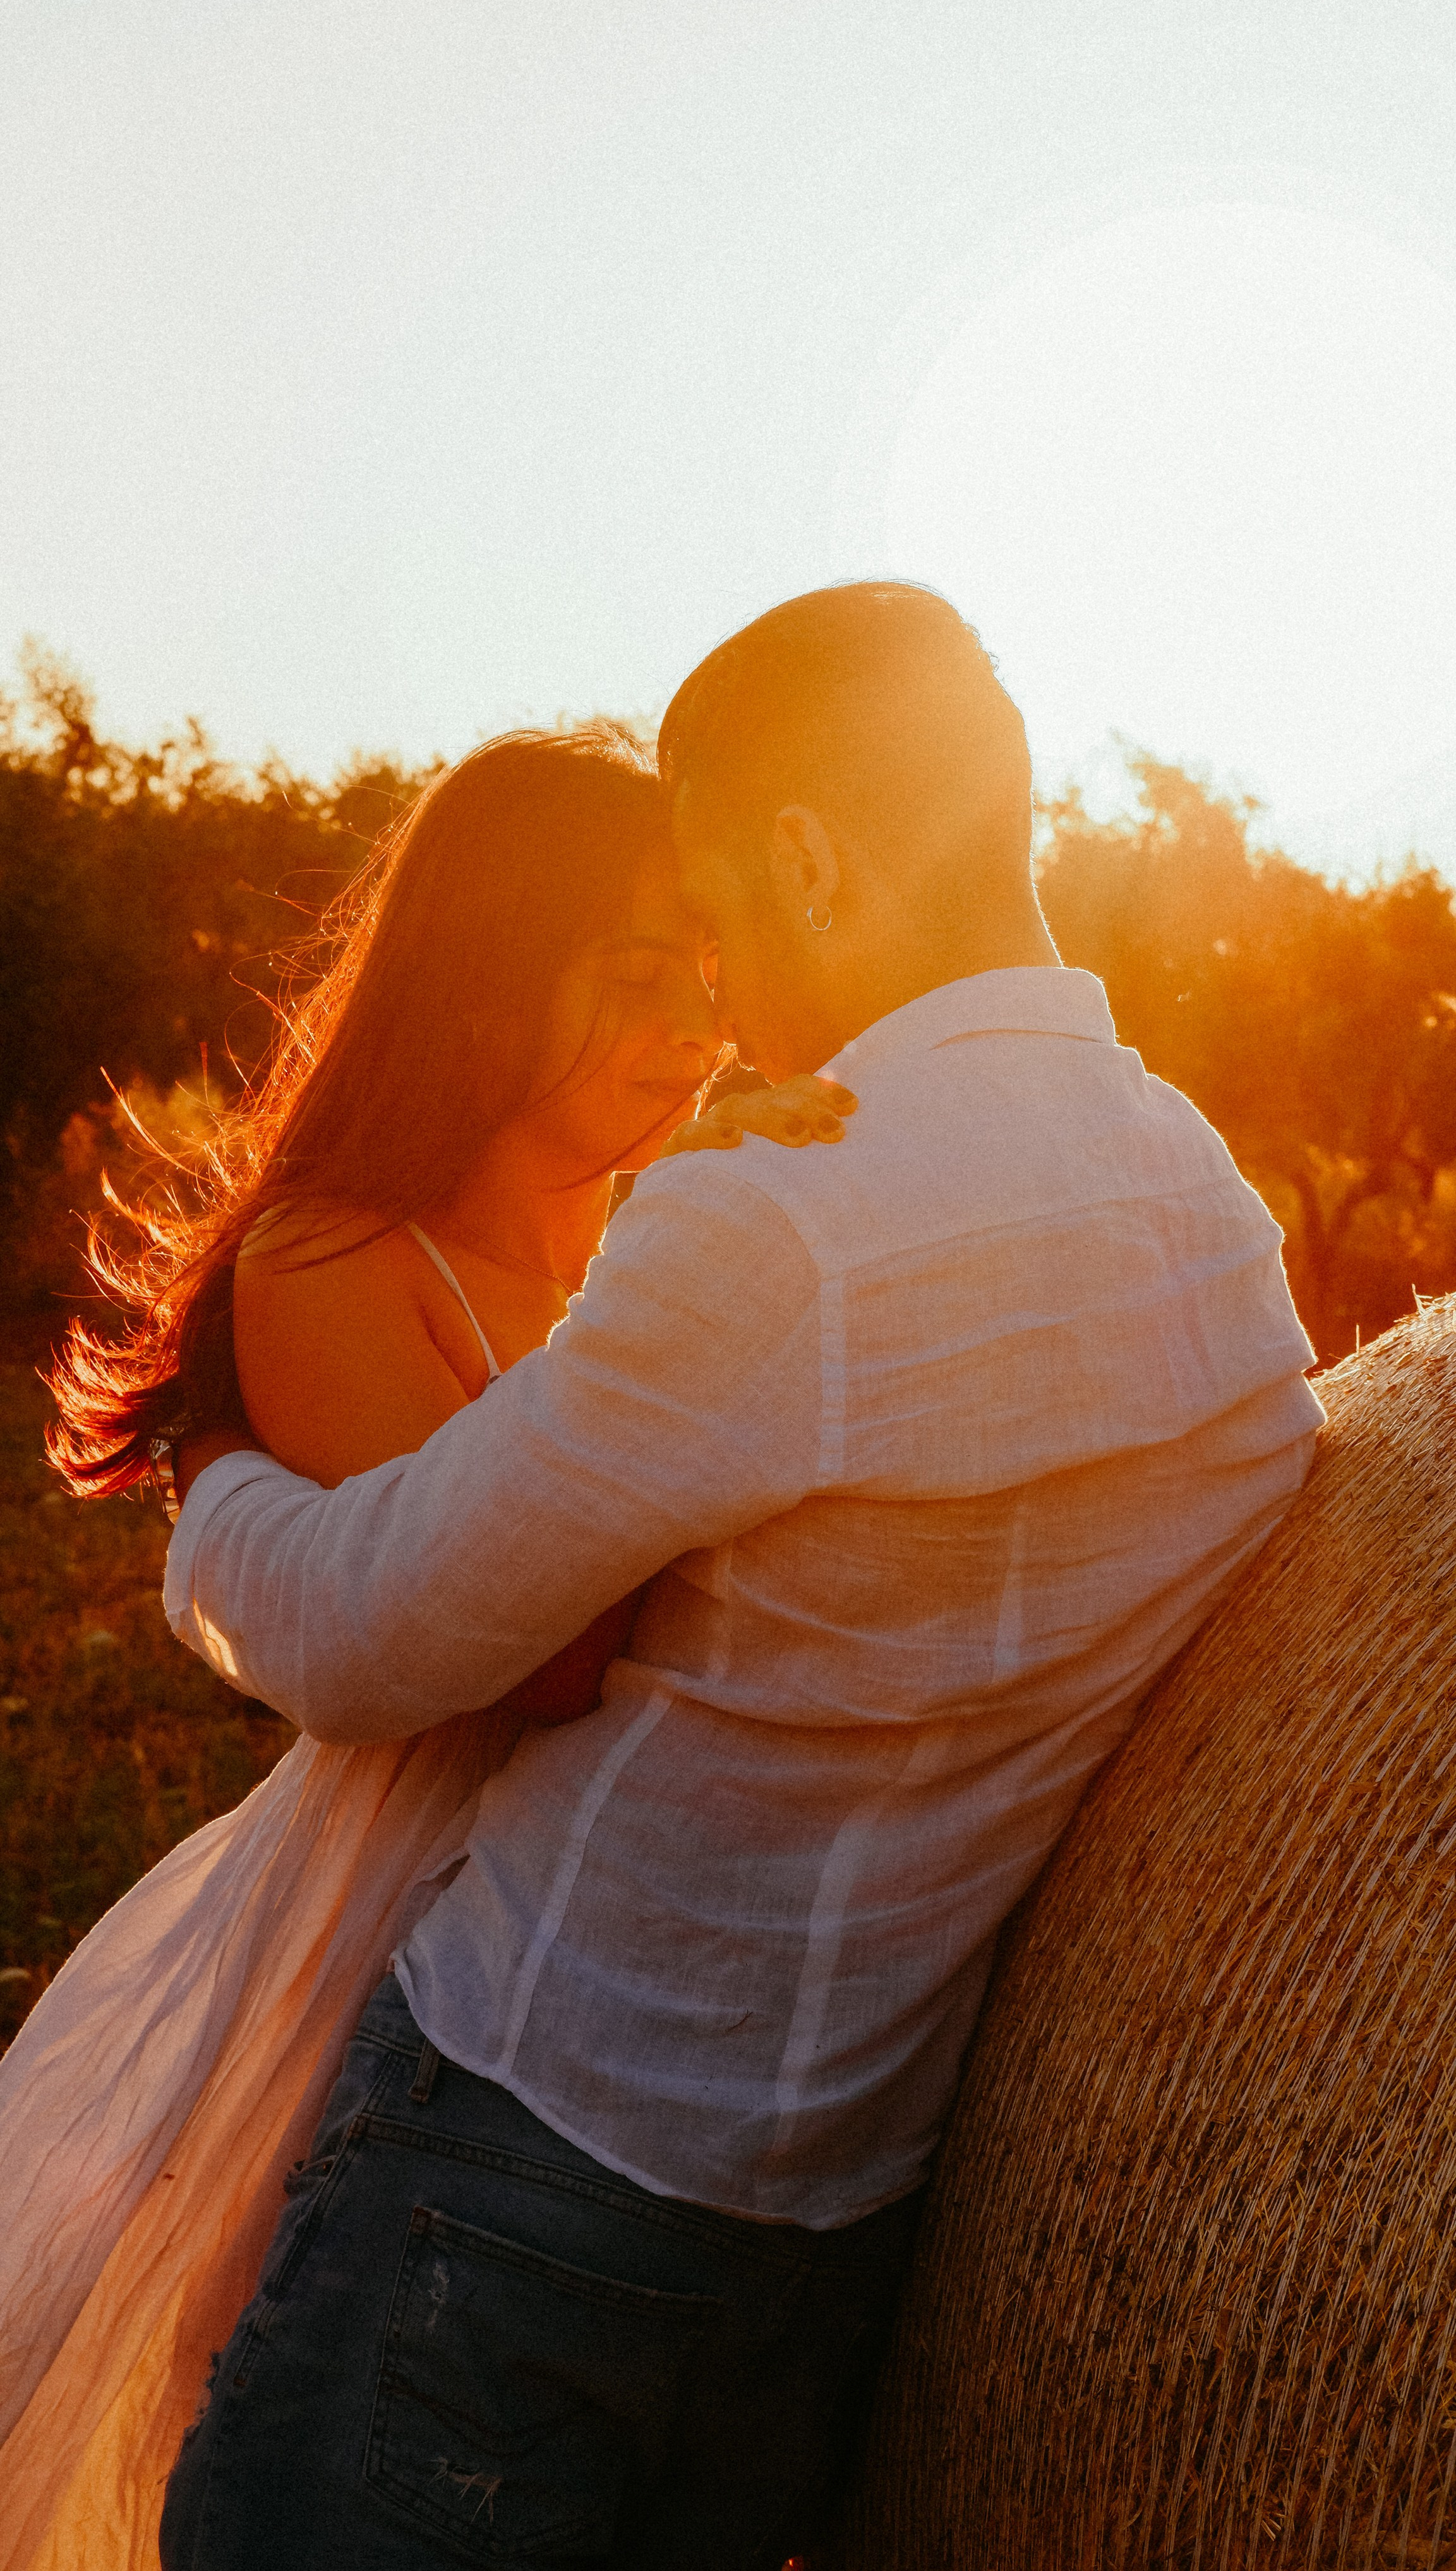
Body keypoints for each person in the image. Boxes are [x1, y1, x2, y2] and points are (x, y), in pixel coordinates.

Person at [159, 583, 1324, 2570]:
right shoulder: (1214, 1233)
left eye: (712, 918)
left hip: (519, 2165)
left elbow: (370, 1636)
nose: (712, 991)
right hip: (829, 2236)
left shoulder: (788, 1225)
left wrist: (212, 1493)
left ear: (803, 856)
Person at [0, 720, 845, 2571]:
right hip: (398, 1926)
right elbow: (511, 1646)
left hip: (595, 1915)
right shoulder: (333, 1253)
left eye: (702, 970)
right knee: (296, 2383)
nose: (688, 1015)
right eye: (626, 969)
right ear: (480, 978)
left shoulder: (648, 1231)